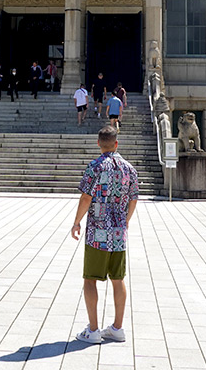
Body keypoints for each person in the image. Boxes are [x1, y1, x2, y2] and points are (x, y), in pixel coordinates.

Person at [70, 126, 138, 344]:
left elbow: (86, 198)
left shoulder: (95, 167)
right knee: (118, 279)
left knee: (90, 279)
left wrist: (76, 222)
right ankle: (117, 328)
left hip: (97, 233)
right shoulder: (129, 169)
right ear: (116, 144)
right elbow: (134, 199)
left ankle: (93, 330)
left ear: (99, 143)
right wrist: (125, 221)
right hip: (118, 233)